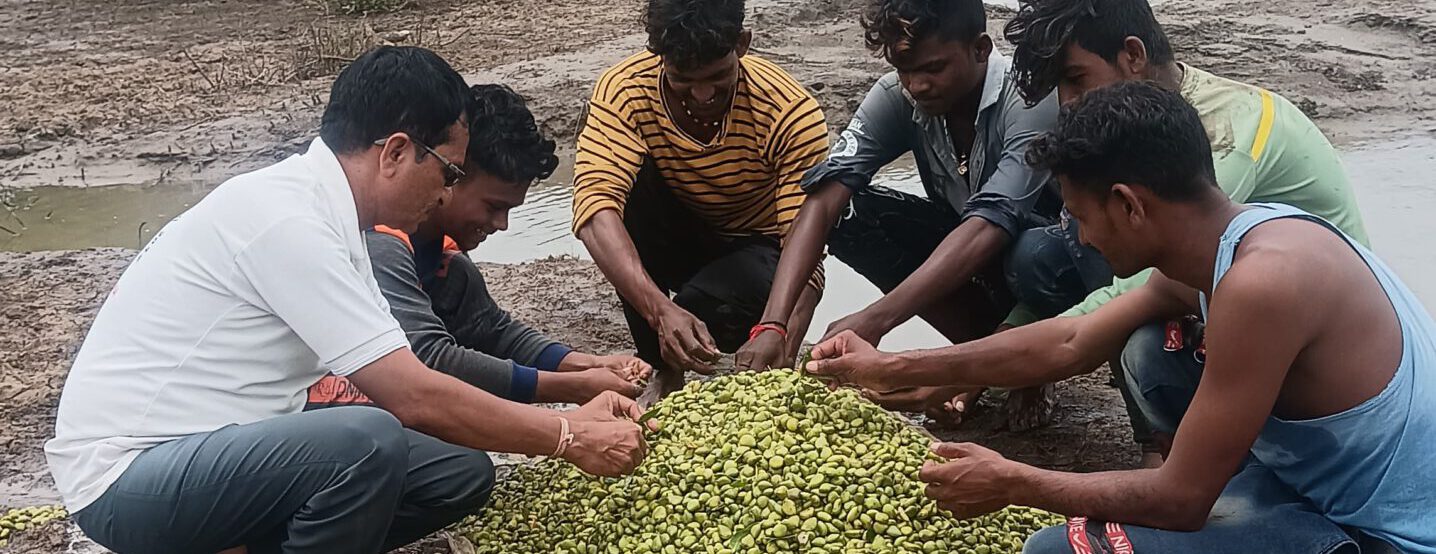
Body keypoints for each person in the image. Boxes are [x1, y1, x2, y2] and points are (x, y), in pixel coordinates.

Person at [46, 47, 651, 554]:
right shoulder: (286, 220)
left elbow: (423, 361)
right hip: (130, 478)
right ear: (394, 152)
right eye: (449, 172)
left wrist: (567, 394)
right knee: (367, 442)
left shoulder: (340, 222)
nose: (447, 191)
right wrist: (567, 434)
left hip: (221, 445)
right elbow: (412, 393)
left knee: (456, 472)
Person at [807, 81, 1435, 554]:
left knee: (1053, 548)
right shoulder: (1236, 242)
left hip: (1384, 532)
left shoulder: (1263, 286)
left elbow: (1182, 501)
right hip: (1315, 481)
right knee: (1155, 351)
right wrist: (889, 364)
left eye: (1077, 216)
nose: (1075, 237)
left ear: (1129, 205)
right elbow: (1071, 340)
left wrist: (1012, 481)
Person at [998, 0, 1371, 462]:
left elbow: (1125, 299)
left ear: (1133, 56)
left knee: (1140, 334)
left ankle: (1162, 450)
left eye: (1076, 80)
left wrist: (972, 368)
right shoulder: (1153, 111)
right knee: (1044, 250)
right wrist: (1008, 339)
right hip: (1216, 296)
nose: (1068, 103)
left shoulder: (1228, 136)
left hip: (1311, 349)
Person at [733, 0, 1063, 428]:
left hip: (1045, 264)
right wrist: (772, 324)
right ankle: (974, 350)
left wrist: (876, 318)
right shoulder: (898, 96)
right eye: (905, 71)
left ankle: (1023, 365)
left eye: (933, 68)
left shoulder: (1027, 98)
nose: (917, 85)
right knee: (851, 212)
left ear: (981, 49)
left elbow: (994, 221)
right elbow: (824, 198)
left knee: (1030, 252)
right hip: (965, 248)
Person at [308, 84, 651, 411]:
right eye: (493, 206)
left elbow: (491, 328)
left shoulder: (447, 257)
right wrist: (567, 395)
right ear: (451, 174)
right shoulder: (382, 242)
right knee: (461, 457)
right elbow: (430, 357)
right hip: (324, 407)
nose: (501, 225)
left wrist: (585, 365)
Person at [573, 0, 830, 405]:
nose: (703, 94)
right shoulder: (623, 91)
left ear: (742, 44)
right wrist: (659, 310)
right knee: (624, 196)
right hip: (679, 232)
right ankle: (665, 369)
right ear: (659, 59)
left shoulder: (789, 111)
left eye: (717, 76)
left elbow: (806, 241)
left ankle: (724, 324)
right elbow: (594, 209)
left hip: (761, 250)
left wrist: (779, 330)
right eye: (682, 80)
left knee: (701, 305)